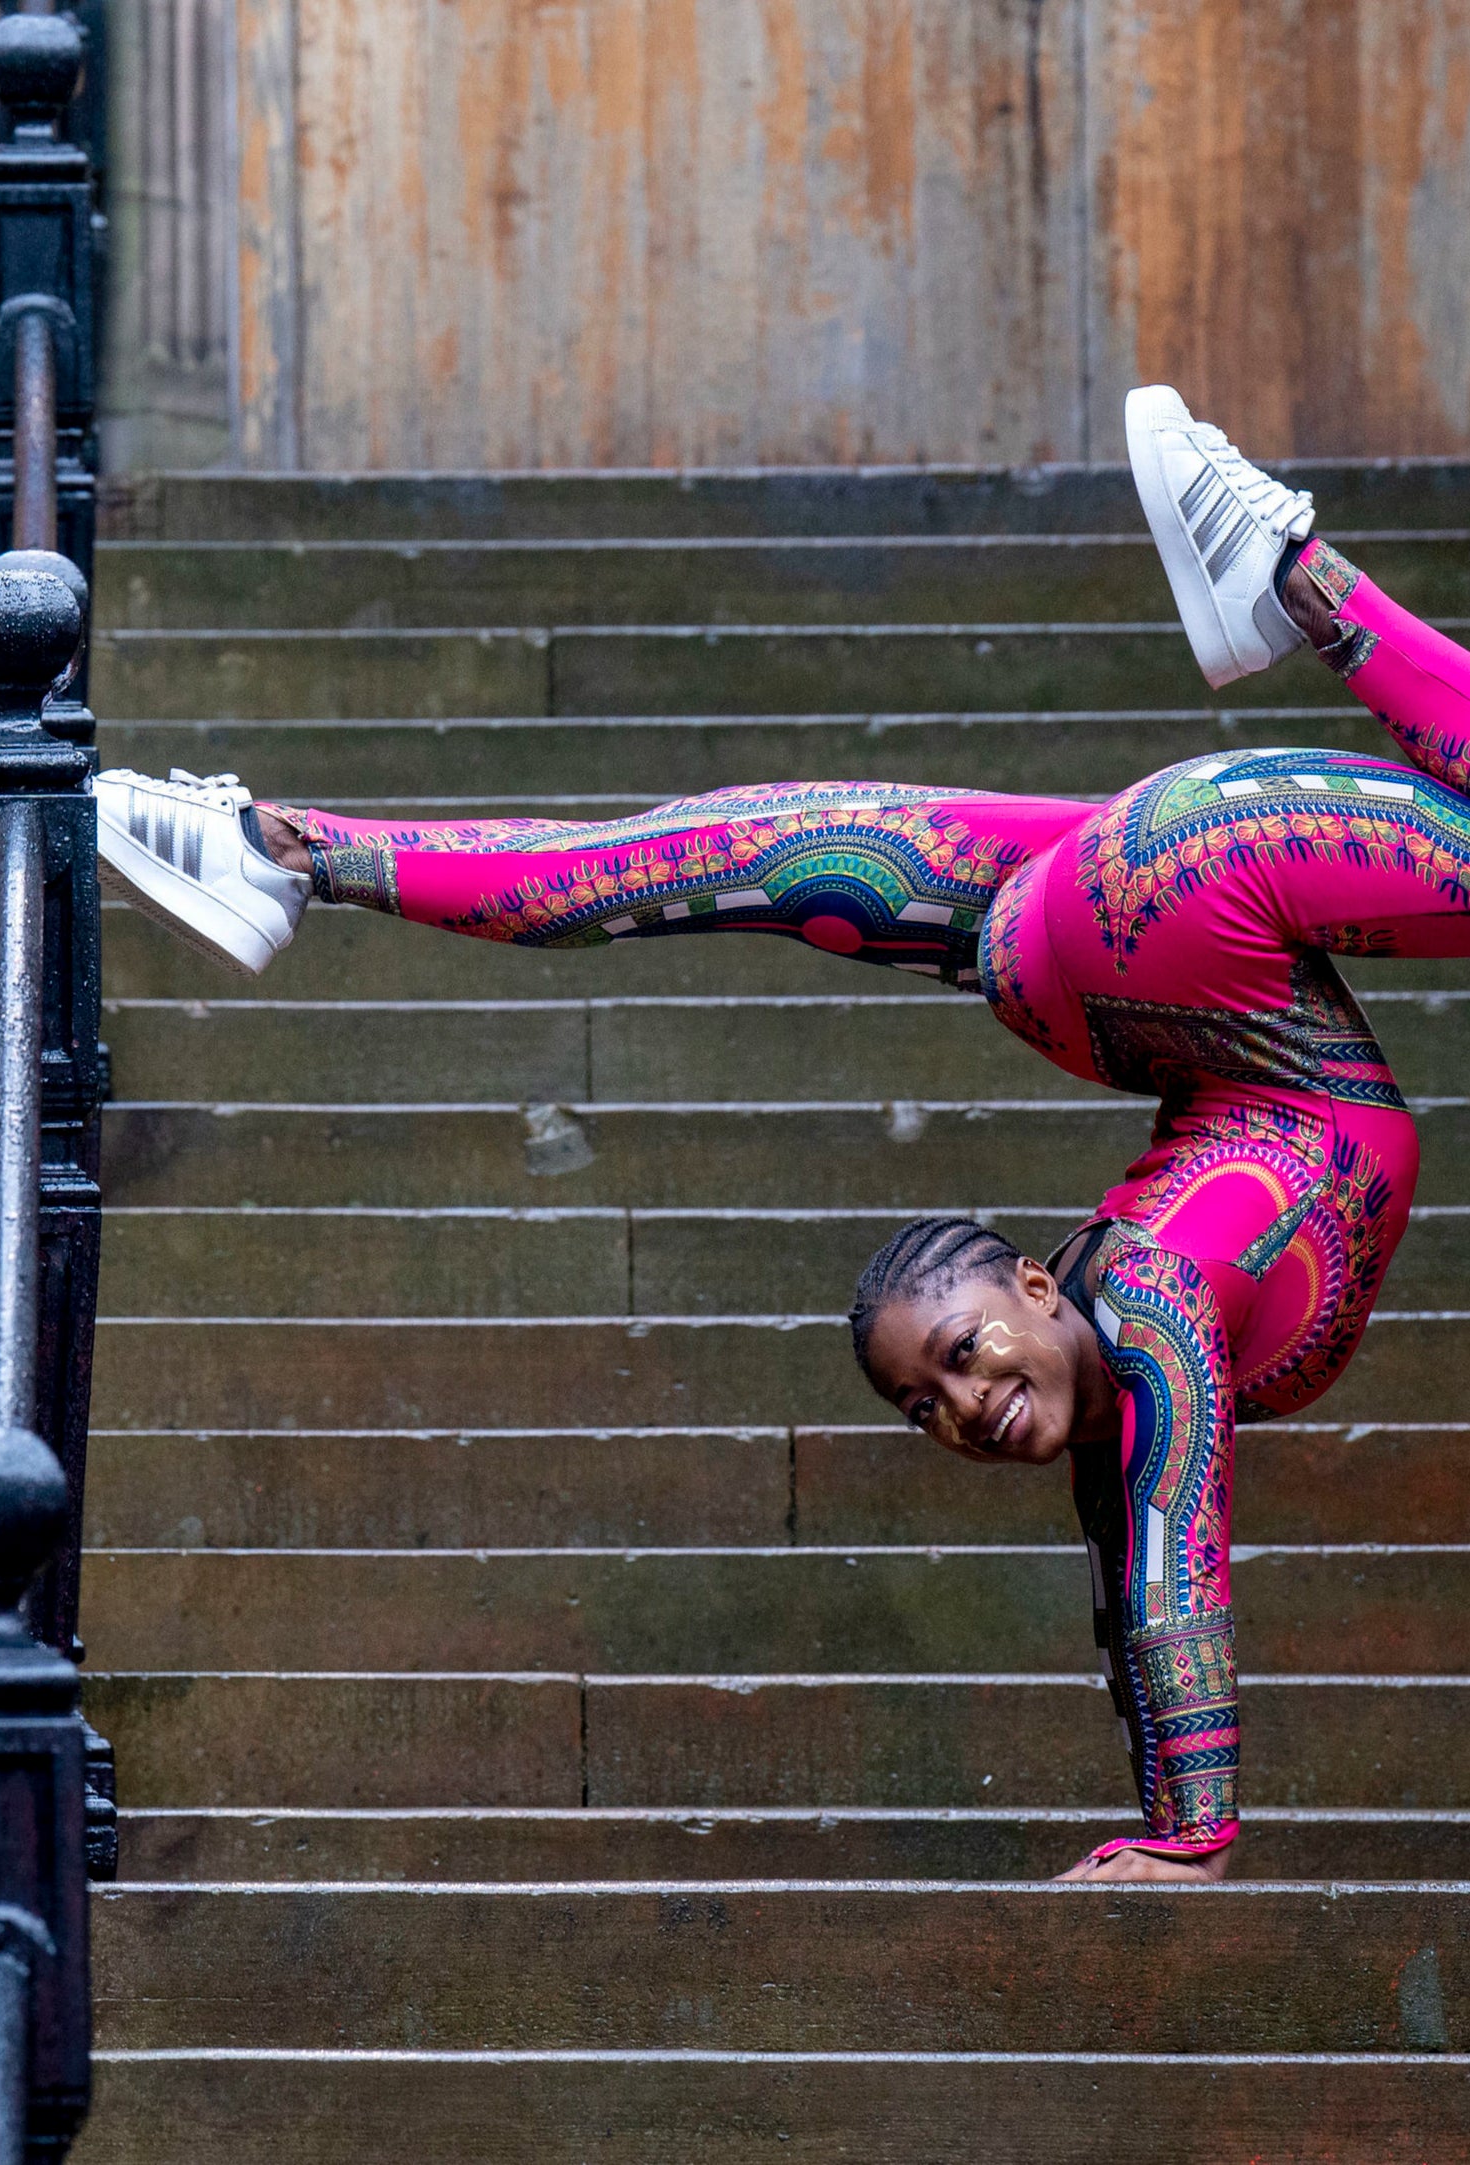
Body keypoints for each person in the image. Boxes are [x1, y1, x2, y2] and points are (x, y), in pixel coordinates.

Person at [94, 385, 1470, 1883]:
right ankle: (282, 852)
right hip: (1133, 959)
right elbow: (1133, 1550)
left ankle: (1284, 571)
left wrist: (1193, 1830)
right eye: (924, 1405)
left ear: (1025, 1284)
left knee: (706, 857)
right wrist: (1165, 1827)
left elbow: (1166, 1553)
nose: (956, 1405)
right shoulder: (1130, 1350)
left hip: (1169, 896)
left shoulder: (1141, 1296)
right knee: (689, 859)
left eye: (955, 1354)